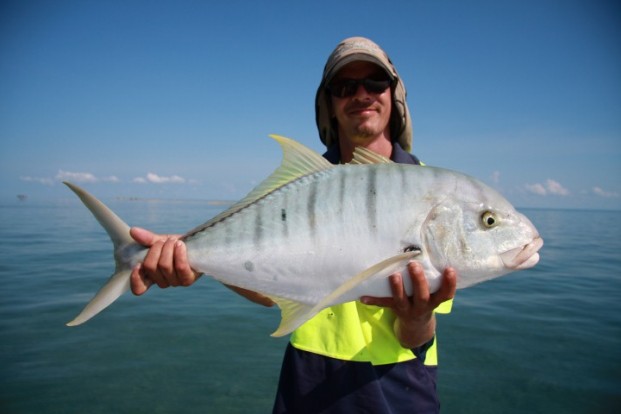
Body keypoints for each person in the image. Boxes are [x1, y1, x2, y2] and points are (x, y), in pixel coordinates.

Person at [129, 37, 457, 413]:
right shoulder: (299, 188)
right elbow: (270, 293)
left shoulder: (430, 190)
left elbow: (417, 336)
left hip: (397, 390)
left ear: (394, 95)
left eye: (375, 83)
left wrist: (418, 317)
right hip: (306, 384)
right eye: (345, 87)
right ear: (329, 104)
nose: (362, 95)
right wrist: (197, 261)